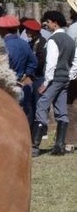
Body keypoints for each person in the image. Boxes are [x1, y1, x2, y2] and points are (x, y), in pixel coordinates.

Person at [32, 9, 73, 156]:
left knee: (41, 106)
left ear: (54, 23)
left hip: (54, 78)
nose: (47, 25)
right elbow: (75, 61)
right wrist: (69, 75)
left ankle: (35, 147)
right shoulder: (69, 40)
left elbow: (51, 63)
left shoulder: (53, 40)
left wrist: (46, 82)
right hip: (65, 78)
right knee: (61, 110)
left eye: (48, 22)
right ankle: (59, 146)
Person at [0, 15, 37, 116]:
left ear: (4, 29)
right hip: (22, 83)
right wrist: (26, 75)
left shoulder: (3, 46)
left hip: (7, 87)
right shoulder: (24, 44)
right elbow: (33, 62)